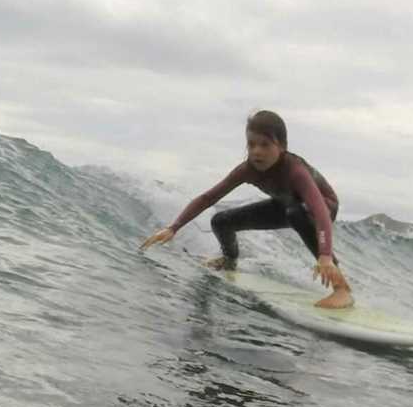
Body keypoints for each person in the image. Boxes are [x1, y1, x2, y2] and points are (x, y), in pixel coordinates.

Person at [140, 110, 354, 309]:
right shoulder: (247, 170)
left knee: (296, 214)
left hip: (323, 207)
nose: (256, 152)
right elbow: (208, 197)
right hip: (288, 205)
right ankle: (229, 260)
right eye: (251, 145)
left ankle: (342, 289)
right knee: (221, 220)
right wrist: (173, 227)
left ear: (282, 146)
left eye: (265, 145)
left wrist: (325, 256)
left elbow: (320, 210)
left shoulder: (295, 170)